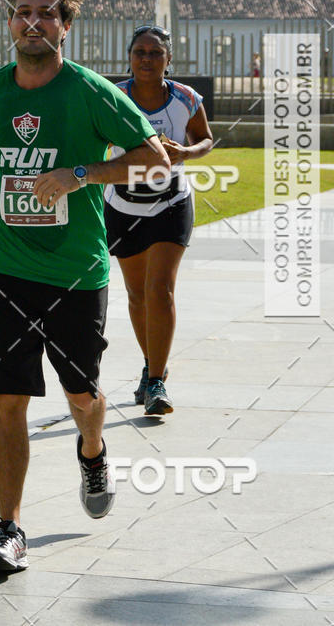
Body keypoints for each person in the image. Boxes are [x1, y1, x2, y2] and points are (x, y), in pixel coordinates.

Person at [0, 0, 169, 573]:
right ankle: (8, 528)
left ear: (65, 26)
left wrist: (81, 175)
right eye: (23, 12)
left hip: (75, 270)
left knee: (81, 394)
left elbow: (154, 159)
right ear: (10, 22)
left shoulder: (90, 92)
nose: (33, 21)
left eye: (47, 13)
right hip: (0, 267)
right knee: (8, 397)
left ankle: (92, 451)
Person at [104, 25, 213, 416]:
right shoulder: (114, 97)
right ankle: (152, 366)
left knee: (161, 289)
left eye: (155, 53)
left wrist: (185, 151)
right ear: (130, 57)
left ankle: (155, 382)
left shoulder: (185, 97)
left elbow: (205, 139)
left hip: (171, 202)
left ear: (169, 59)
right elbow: (94, 142)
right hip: (123, 205)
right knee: (136, 296)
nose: (146, 59)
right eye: (139, 52)